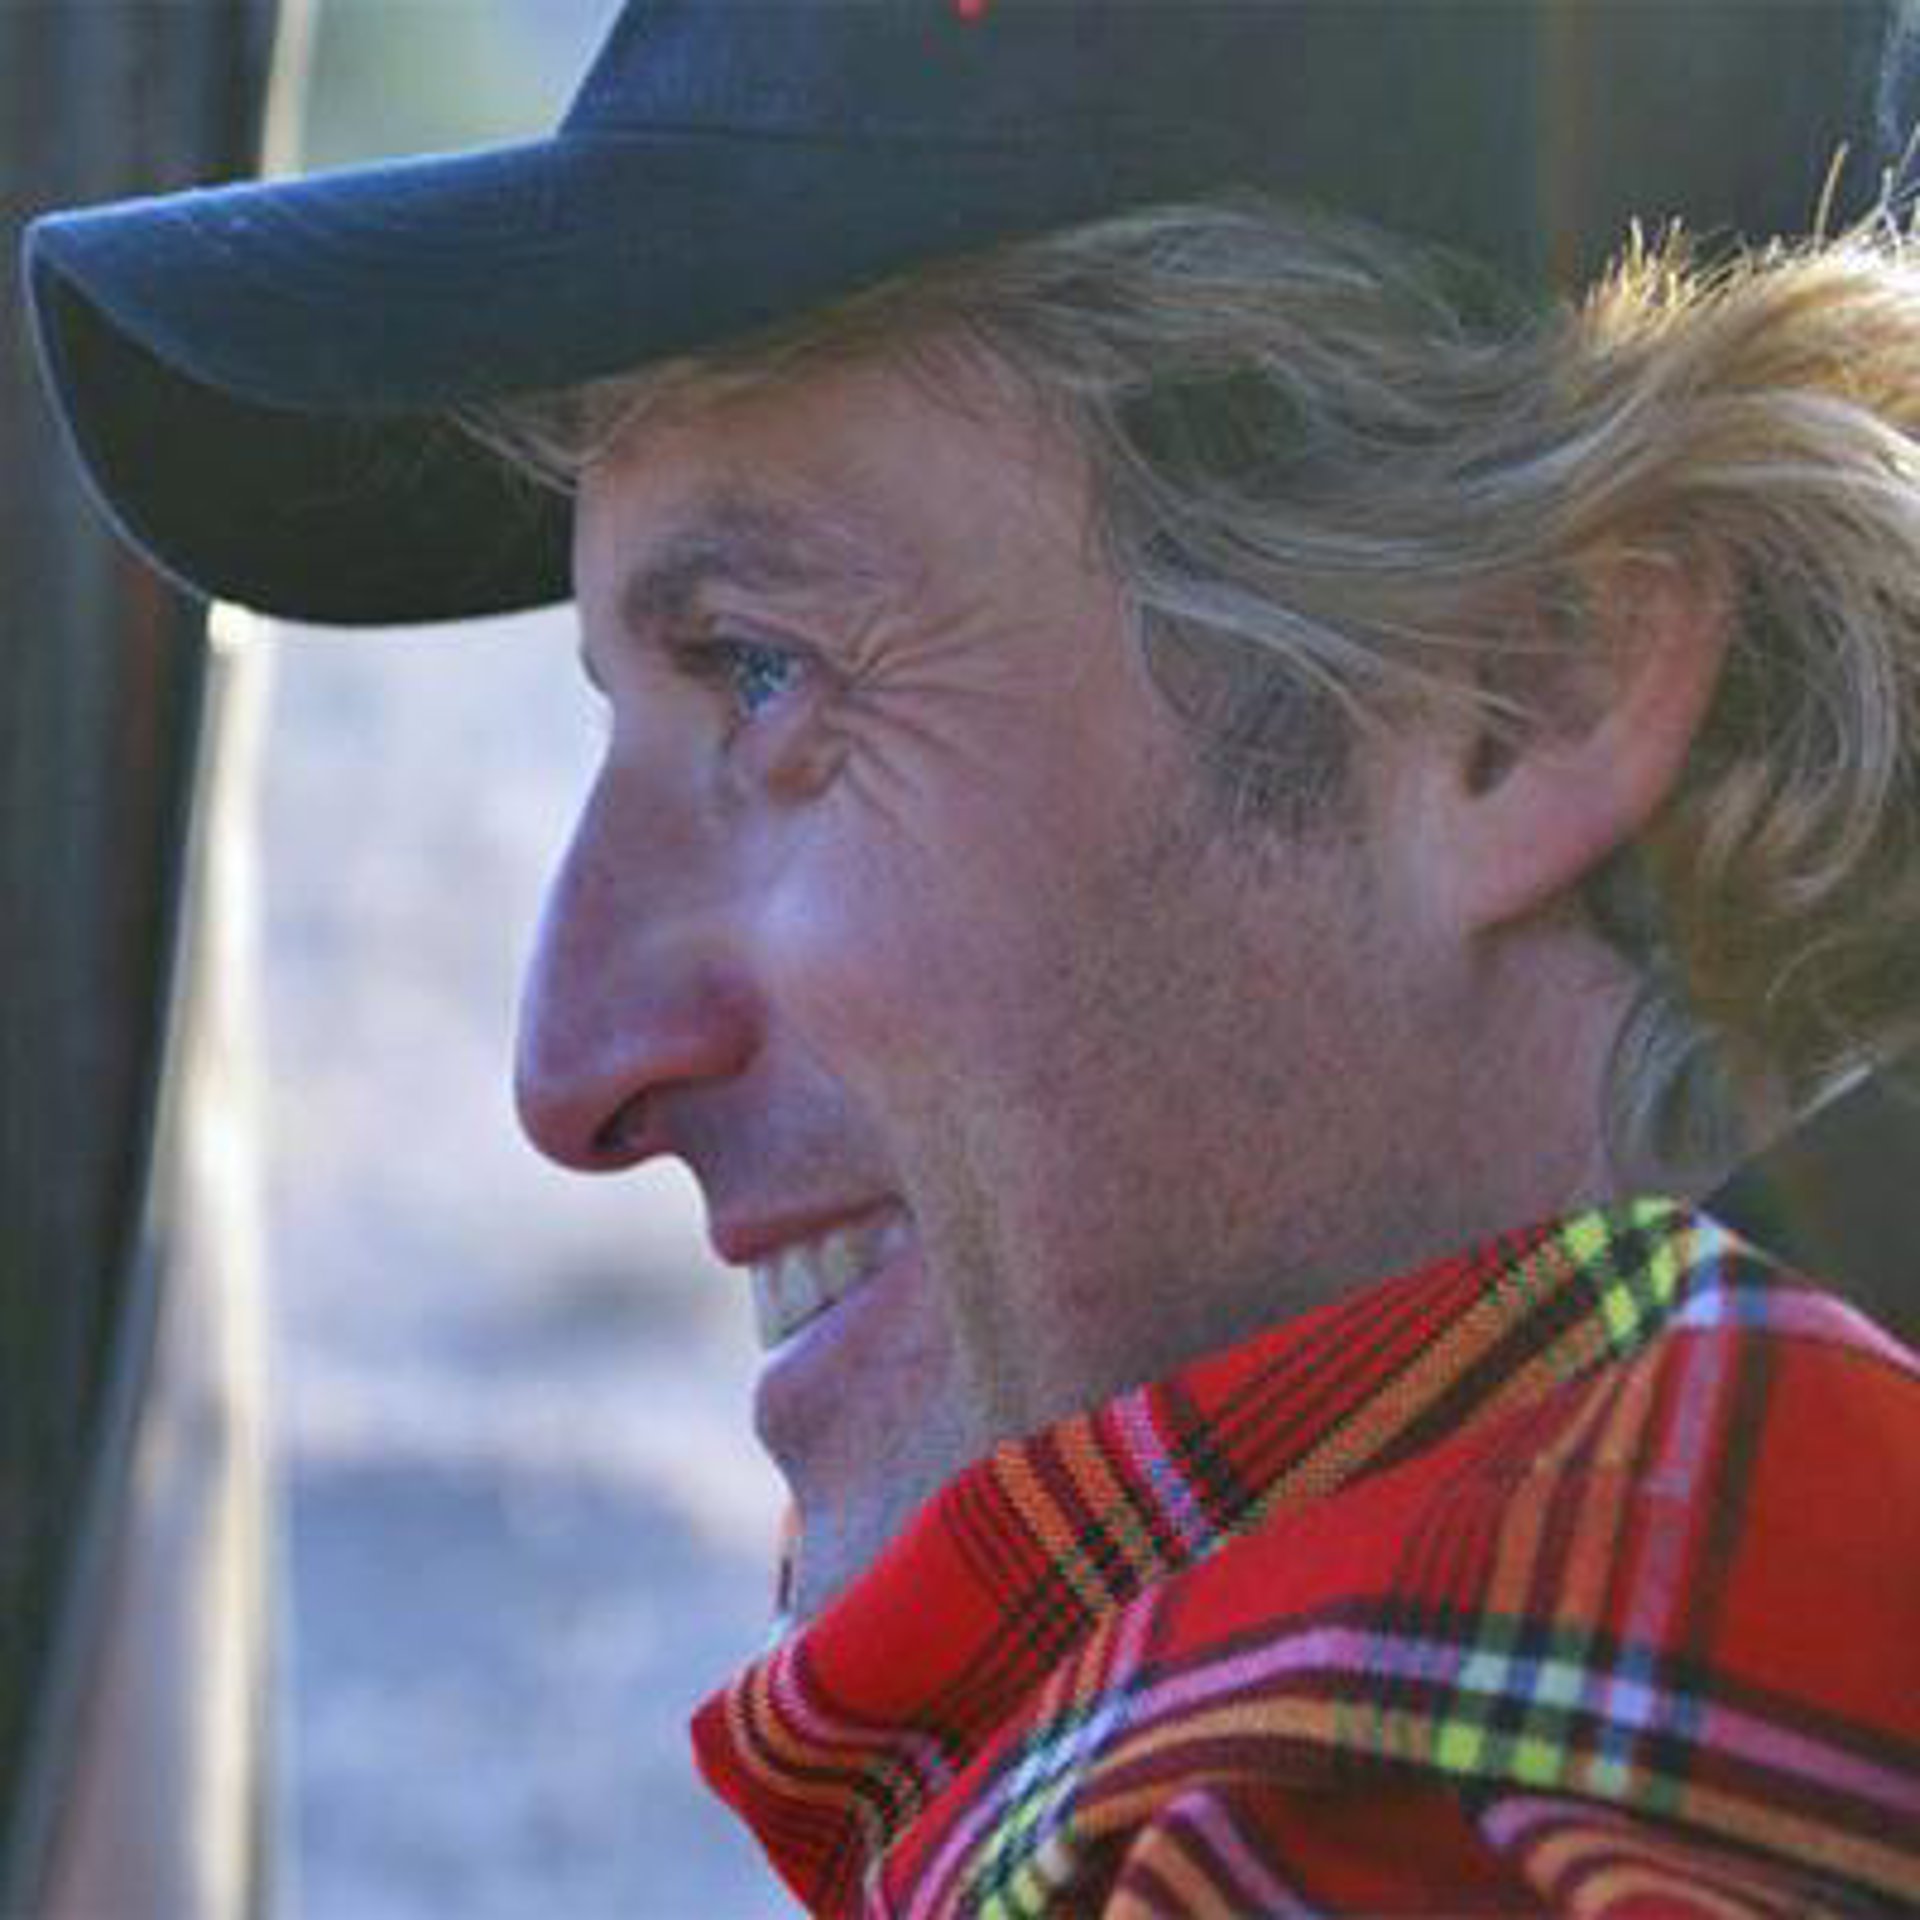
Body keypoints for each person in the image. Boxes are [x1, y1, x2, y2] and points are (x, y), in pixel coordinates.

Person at [22, 3, 1920, 1912]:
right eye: (620, 703)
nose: (573, 1064)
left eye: (764, 673)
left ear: (1529, 689)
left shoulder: (1356, 1855)